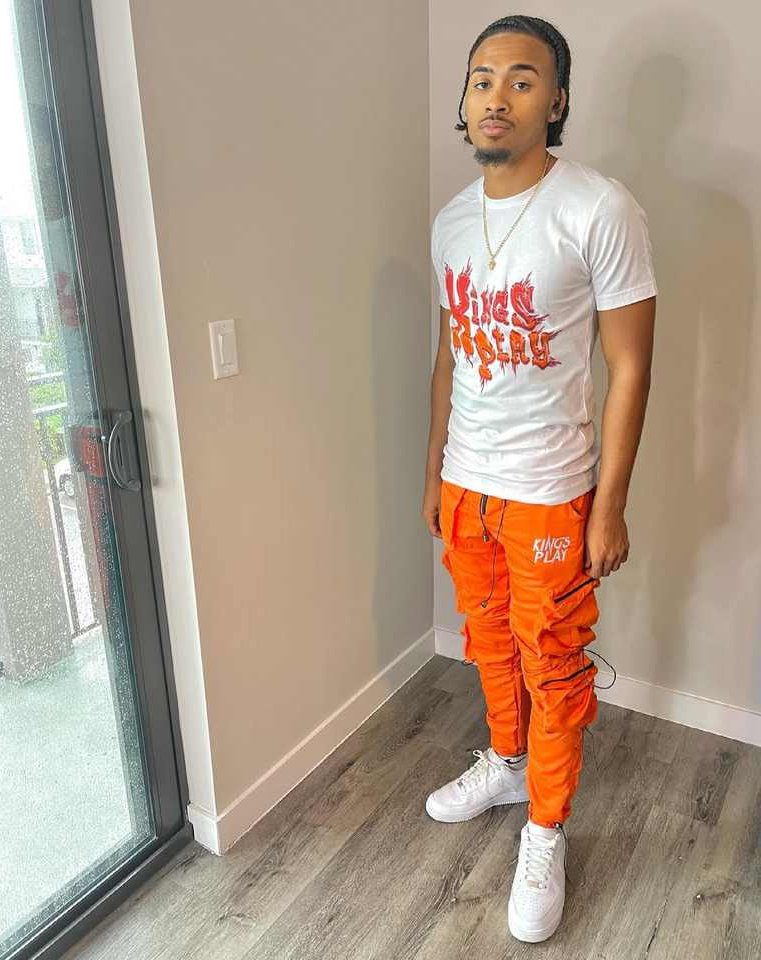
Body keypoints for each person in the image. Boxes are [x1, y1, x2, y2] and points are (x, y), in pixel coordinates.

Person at [422, 14, 657, 945]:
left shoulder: (599, 208)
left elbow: (630, 366)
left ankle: (546, 831)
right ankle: (508, 763)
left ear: (555, 101)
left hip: (551, 489)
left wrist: (610, 505)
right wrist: (434, 473)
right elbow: (449, 360)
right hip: (466, 486)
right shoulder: (450, 221)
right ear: (465, 98)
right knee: (489, 643)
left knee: (553, 665)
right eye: (482, 78)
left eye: (522, 80)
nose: (497, 96)